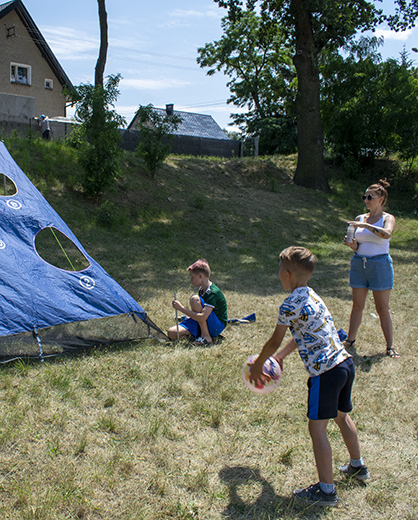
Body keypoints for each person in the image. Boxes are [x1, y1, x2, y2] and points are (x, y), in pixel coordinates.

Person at [249, 246, 368, 507]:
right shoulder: (312, 295)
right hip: (344, 365)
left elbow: (274, 339)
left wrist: (260, 363)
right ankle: (358, 467)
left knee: (317, 430)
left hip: (324, 373)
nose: (278, 274)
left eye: (280, 270)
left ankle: (326, 491)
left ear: (288, 274)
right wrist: (279, 358)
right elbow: (304, 333)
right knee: (341, 416)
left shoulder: (289, 304)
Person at [343, 179, 399, 358]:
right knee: (357, 306)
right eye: (364, 197)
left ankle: (390, 347)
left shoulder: (387, 218)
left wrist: (365, 226)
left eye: (370, 197)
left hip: (380, 265)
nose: (366, 200)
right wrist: (351, 244)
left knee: (382, 308)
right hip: (360, 263)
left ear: (381, 199)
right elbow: (358, 246)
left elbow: (386, 234)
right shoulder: (360, 218)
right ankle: (350, 340)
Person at [168, 259, 228, 345]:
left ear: (200, 276)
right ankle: (195, 335)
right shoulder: (201, 290)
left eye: (192, 277)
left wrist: (181, 308)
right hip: (204, 322)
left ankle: (206, 337)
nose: (191, 280)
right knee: (172, 333)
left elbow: (202, 317)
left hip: (216, 326)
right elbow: (199, 313)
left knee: (194, 299)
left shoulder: (212, 292)